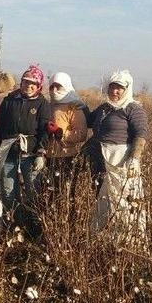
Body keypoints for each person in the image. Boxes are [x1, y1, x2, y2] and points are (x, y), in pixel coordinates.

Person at [84, 69, 148, 242]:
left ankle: (130, 239)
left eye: (119, 88)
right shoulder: (104, 108)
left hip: (121, 159)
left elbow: (141, 135)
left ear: (127, 89)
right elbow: (89, 120)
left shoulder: (133, 109)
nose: (114, 91)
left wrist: (134, 159)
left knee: (124, 199)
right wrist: (76, 104)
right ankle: (102, 236)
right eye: (112, 87)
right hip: (100, 157)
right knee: (103, 197)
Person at [0, 64, 51, 237]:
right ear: (21, 82)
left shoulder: (42, 104)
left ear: (38, 85)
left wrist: (41, 152)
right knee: (9, 191)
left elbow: (44, 130)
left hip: (30, 153)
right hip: (9, 151)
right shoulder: (10, 100)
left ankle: (34, 228)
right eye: (26, 82)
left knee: (32, 191)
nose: (29, 86)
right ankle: (15, 223)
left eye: (33, 83)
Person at [46, 72, 90, 211]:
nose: (54, 90)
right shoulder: (48, 105)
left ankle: (67, 224)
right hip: (47, 156)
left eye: (58, 87)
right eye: (52, 87)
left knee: (66, 194)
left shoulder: (74, 108)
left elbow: (81, 134)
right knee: (48, 194)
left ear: (66, 87)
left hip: (67, 156)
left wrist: (60, 133)